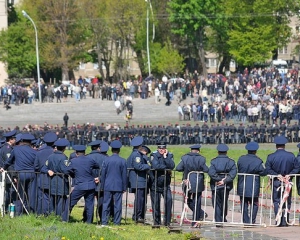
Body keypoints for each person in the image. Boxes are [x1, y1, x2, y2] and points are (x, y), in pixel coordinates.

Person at [265, 136, 299, 227]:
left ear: (276, 146)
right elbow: (297, 168)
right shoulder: (291, 156)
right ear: (284, 145)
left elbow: (268, 169)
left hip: (276, 181)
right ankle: (286, 220)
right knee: (287, 200)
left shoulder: (271, 156)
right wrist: (290, 174)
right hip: (288, 182)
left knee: (276, 201)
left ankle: (278, 220)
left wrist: (276, 174)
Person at [62, 145, 100, 223]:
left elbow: (66, 171)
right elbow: (97, 166)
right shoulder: (90, 160)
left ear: (76, 153)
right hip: (91, 185)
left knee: (70, 202)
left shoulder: (74, 161)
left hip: (80, 185)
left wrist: (73, 175)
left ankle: (65, 219)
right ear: (85, 152)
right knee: (89, 205)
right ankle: (89, 222)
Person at [1, 133, 37, 215]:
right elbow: (37, 164)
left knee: (21, 194)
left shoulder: (16, 149)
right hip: (32, 174)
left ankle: (20, 213)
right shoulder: (34, 151)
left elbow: (9, 161)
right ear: (30, 142)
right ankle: (31, 212)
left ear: (21, 141)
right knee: (31, 194)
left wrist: (4, 167)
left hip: (21, 173)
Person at [175, 144, 209, 227]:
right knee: (197, 201)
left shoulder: (185, 157)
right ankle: (197, 218)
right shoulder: (201, 158)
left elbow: (178, 168)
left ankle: (200, 214)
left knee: (187, 200)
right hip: (198, 182)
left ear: (191, 150)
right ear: (198, 150)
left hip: (187, 181)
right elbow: (206, 169)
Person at [237, 142, 267, 224]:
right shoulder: (258, 161)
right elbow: (263, 172)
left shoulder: (241, 159)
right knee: (254, 203)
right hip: (254, 185)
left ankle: (245, 221)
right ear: (255, 151)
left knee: (244, 204)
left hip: (242, 184)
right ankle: (252, 220)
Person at [208, 144, 237, 225]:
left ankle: (218, 220)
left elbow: (211, 172)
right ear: (226, 152)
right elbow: (233, 173)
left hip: (216, 184)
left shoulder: (213, 161)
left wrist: (218, 180)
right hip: (226, 185)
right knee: (224, 202)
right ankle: (223, 217)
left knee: (216, 203)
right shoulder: (231, 161)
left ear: (218, 152)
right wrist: (224, 181)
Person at [41, 138, 70, 216]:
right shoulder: (64, 157)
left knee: (52, 199)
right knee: (61, 199)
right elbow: (66, 170)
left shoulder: (50, 156)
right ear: (64, 148)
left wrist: (48, 171)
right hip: (61, 181)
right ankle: (59, 215)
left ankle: (51, 214)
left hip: (52, 180)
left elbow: (43, 168)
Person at [101, 140, 127, 226]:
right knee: (118, 204)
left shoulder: (106, 160)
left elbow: (103, 174)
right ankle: (117, 221)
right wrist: (124, 187)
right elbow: (124, 175)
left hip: (107, 185)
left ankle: (104, 221)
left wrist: (102, 185)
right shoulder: (122, 161)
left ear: (111, 150)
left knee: (106, 204)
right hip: (118, 185)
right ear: (119, 151)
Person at [149, 141, 175, 226]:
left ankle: (167, 222)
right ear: (157, 148)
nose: (161, 150)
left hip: (166, 183)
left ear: (165, 149)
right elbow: (155, 166)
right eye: (160, 148)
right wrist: (166, 168)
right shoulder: (154, 155)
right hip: (155, 182)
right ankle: (157, 222)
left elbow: (171, 166)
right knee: (156, 203)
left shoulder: (169, 155)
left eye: (163, 148)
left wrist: (165, 157)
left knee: (169, 200)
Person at [127, 136, 150, 223]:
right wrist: (148, 166)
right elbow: (138, 166)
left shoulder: (134, 154)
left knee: (140, 199)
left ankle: (137, 215)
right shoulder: (136, 155)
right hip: (139, 180)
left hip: (138, 181)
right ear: (140, 146)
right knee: (140, 200)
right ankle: (138, 216)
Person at [82, 140, 106, 223]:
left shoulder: (86, 157)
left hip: (89, 182)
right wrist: (100, 177)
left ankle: (87, 219)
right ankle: (102, 219)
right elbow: (106, 171)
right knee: (101, 201)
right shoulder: (105, 157)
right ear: (99, 148)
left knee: (89, 202)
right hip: (101, 182)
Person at [34, 132, 57, 215]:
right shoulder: (55, 153)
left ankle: (41, 213)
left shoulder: (39, 152)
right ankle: (51, 213)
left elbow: (36, 166)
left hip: (42, 177)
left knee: (42, 197)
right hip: (53, 178)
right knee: (52, 197)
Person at [0, 129, 16, 212]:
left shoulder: (5, 147)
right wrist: (13, 176)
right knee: (9, 194)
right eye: (14, 138)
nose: (15, 140)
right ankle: (6, 211)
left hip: (6, 174)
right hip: (8, 175)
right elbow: (8, 163)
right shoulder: (7, 149)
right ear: (11, 139)